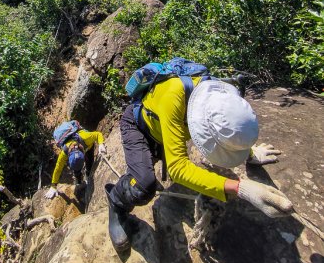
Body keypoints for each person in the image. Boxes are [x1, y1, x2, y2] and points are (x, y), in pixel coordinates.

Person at [106, 78, 293, 253]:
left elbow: (228, 125)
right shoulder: (174, 95)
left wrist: (248, 151)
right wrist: (240, 188)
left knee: (149, 165)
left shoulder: (220, 94)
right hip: (139, 126)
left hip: (162, 127)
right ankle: (116, 203)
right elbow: (178, 168)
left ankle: (142, 167)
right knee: (143, 185)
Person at [45, 127, 107, 199]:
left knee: (89, 163)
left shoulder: (86, 137)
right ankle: (79, 181)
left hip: (88, 146)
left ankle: (88, 175)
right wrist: (53, 186)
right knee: (76, 170)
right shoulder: (64, 153)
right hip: (80, 149)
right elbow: (58, 169)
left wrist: (101, 143)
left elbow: (98, 134)